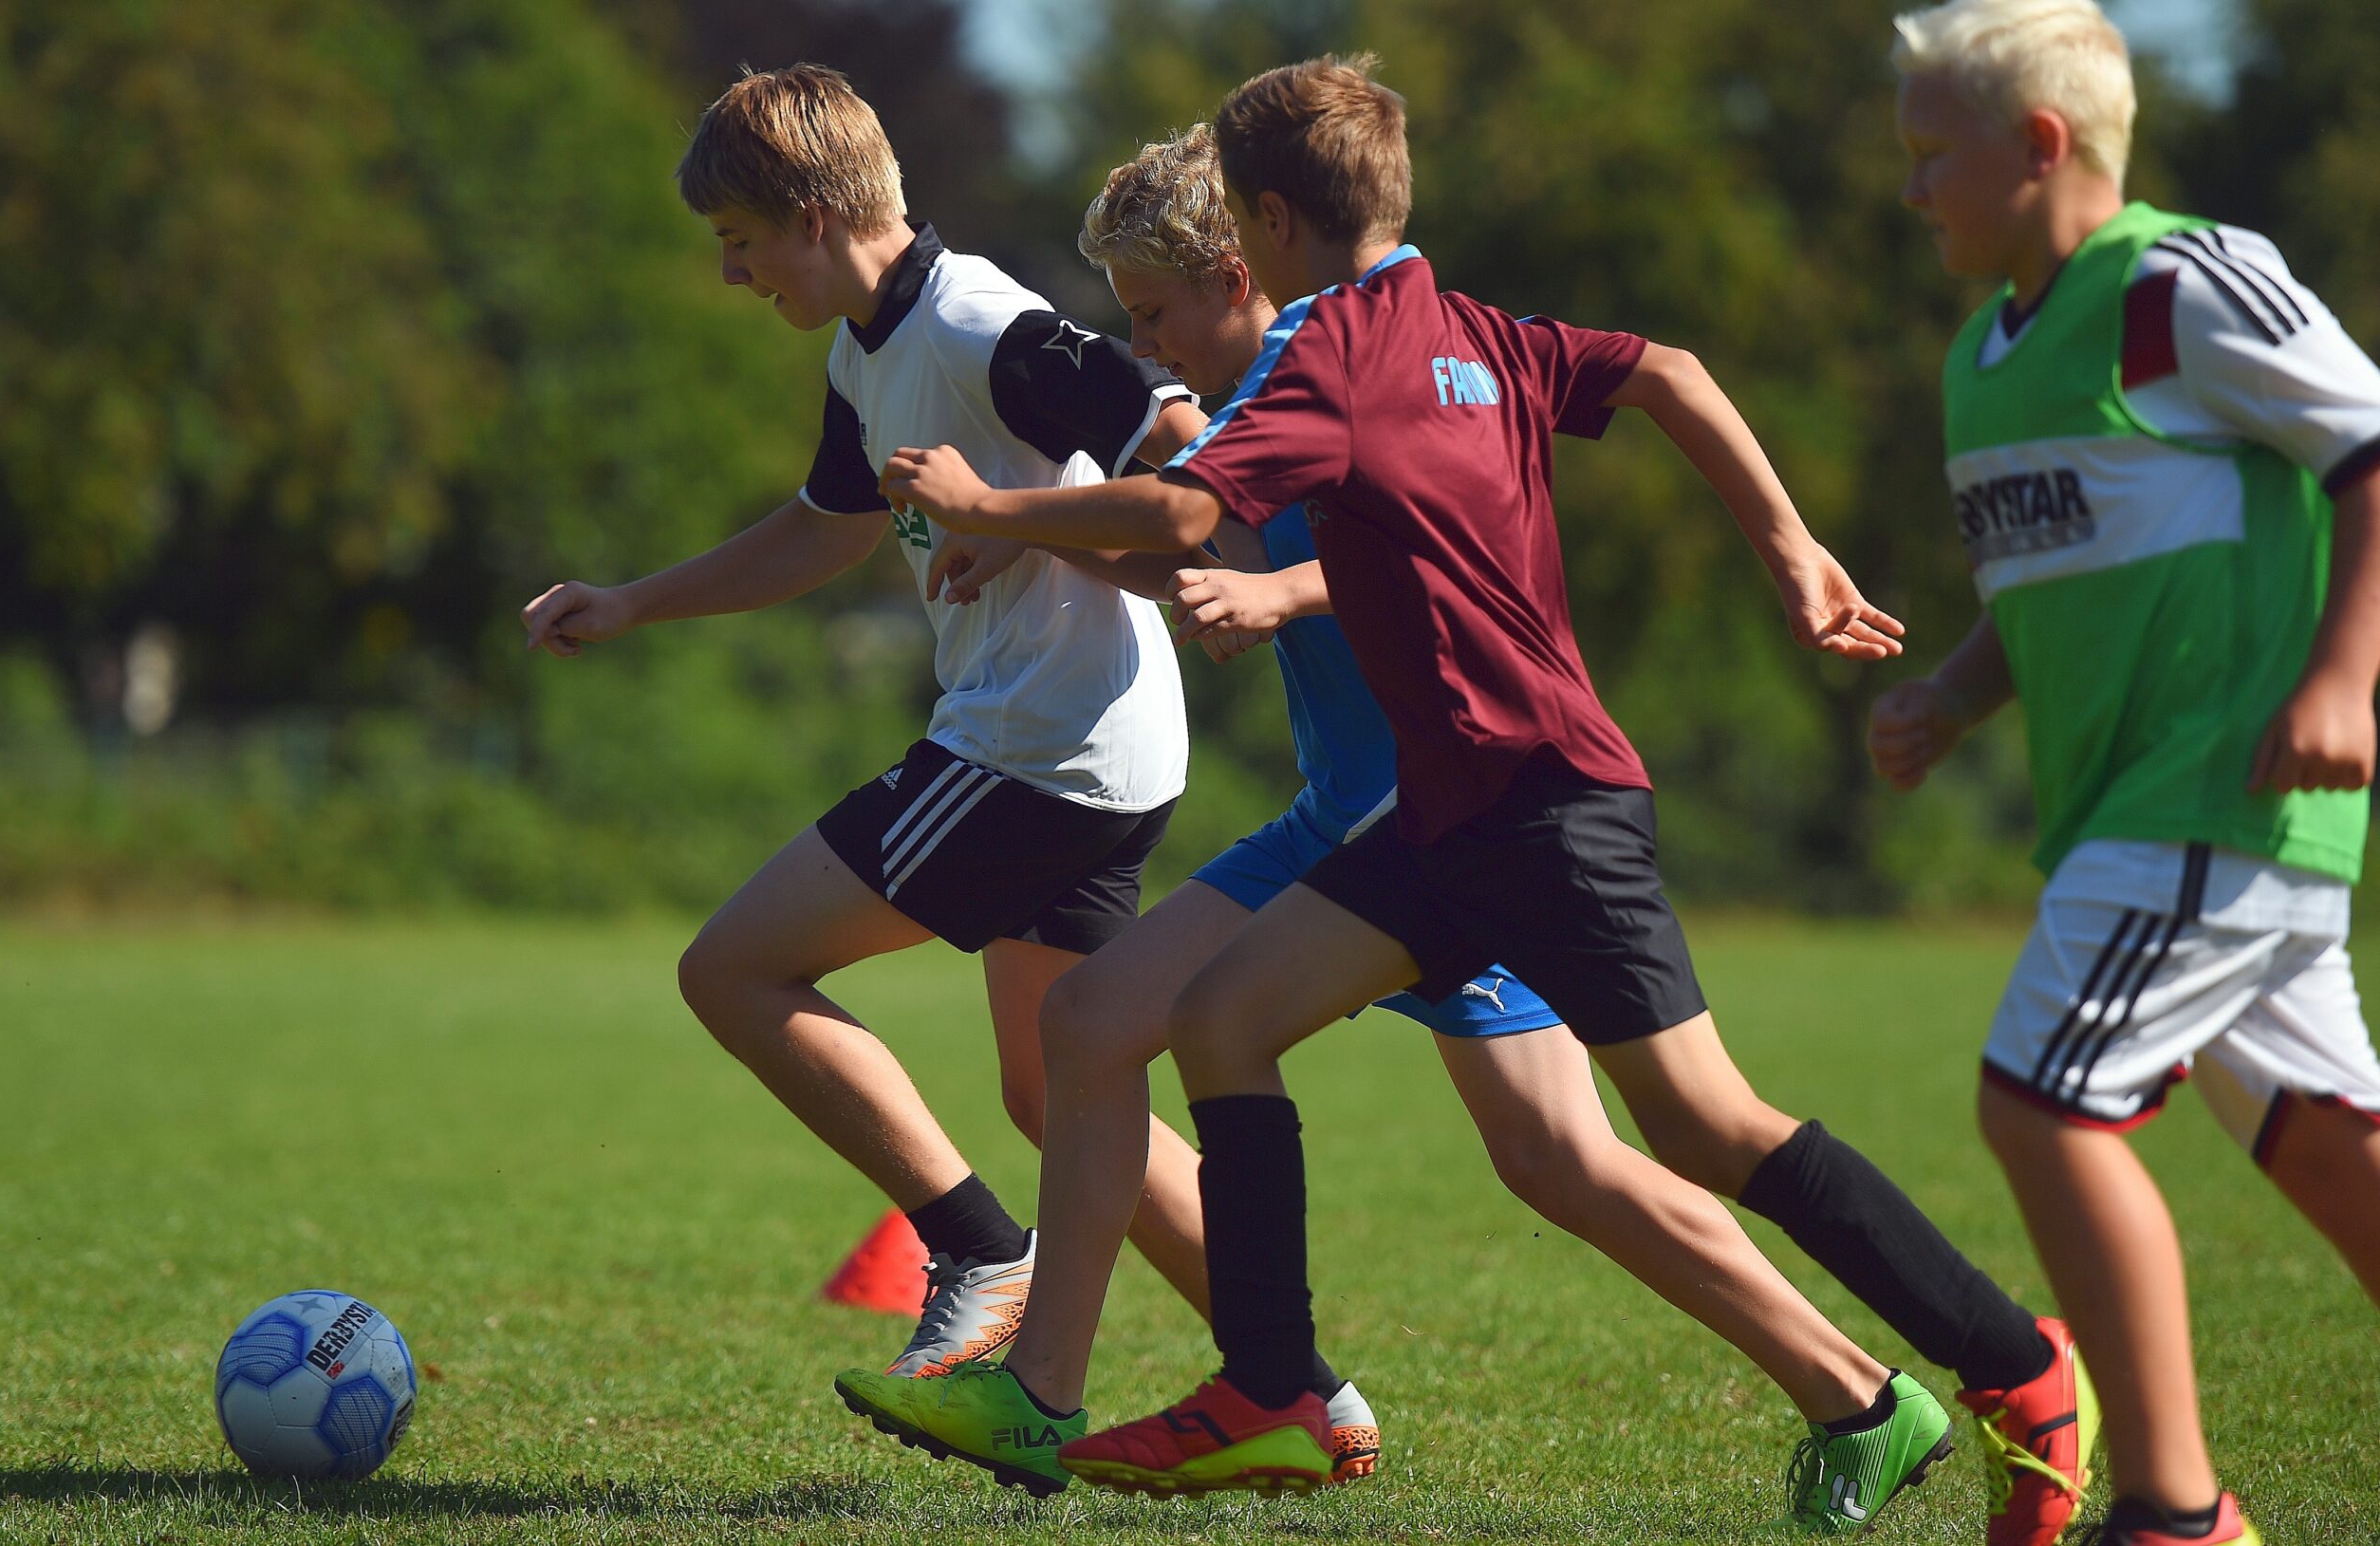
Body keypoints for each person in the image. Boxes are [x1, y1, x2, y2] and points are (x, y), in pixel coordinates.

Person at [883, 56, 2086, 1538]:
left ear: (1258, 225)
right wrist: (1791, 550)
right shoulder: (1472, 330)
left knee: (1694, 1128)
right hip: (1438, 819)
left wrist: (992, 506)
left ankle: (2014, 1364)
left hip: (1541, 806)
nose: (1149, 334)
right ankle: (1271, 1393)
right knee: (1221, 1016)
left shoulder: (1328, 350)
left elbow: (1202, 515)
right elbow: (1672, 374)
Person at [517, 64, 1231, 1459]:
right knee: (1058, 1093)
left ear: (809, 211)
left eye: (737, 242)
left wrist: (1017, 517)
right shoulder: (865, 348)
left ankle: (976, 1249)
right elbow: (824, 529)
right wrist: (634, 599)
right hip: (1097, 747)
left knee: (733, 965)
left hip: (1038, 744)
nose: (730, 276)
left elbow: (1178, 440)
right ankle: (1296, 1378)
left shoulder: (977, 319)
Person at [1876, 4, 2380, 1542]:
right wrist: (1957, 698)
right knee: (2327, 1146)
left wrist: (2346, 675)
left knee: (2039, 1106)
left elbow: (2372, 447)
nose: (1914, 192)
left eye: (1930, 155)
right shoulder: (1983, 354)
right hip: (2142, 819)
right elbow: (2049, 580)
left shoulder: (2176, 284)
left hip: (2208, 796)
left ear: (2039, 146)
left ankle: (2171, 1508)